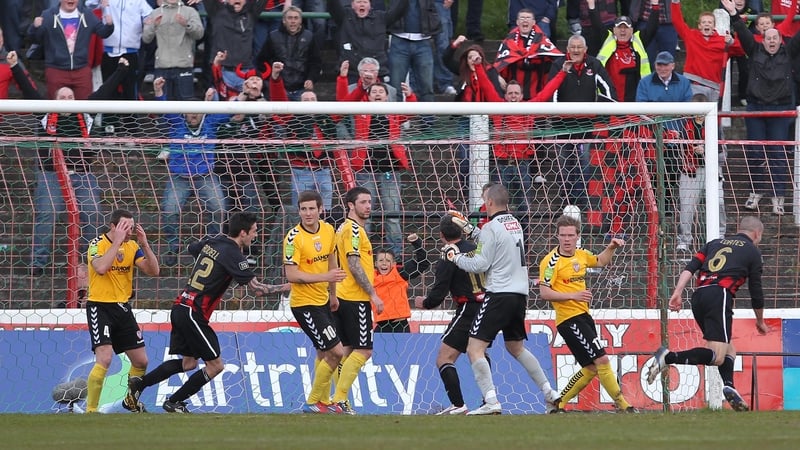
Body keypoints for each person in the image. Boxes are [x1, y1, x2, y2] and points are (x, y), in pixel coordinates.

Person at [126, 212, 288, 413]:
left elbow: (192, 249)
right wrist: (289, 287)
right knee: (216, 365)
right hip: (194, 312)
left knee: (188, 363)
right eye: (254, 232)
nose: (255, 236)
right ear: (243, 232)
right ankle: (174, 401)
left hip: (180, 306)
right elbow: (257, 289)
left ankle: (138, 385)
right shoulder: (235, 255)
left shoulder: (215, 240)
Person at [7, 51, 128, 282]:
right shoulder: (46, 114)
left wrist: (121, 70)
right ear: (54, 100)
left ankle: (90, 258)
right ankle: (37, 262)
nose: (65, 100)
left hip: (82, 175)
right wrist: (14, 66)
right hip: (51, 174)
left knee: (92, 212)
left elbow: (105, 91)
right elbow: (29, 91)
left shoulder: (87, 113)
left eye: (70, 97)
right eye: (61, 97)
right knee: (48, 213)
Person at [442, 184, 558, 415]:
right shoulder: (514, 224)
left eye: (485, 200)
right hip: (519, 295)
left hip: (499, 294)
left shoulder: (490, 228)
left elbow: (480, 264)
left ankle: (492, 401)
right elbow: (496, 242)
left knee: (474, 348)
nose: (484, 204)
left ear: (491, 202)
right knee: (516, 347)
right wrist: (472, 230)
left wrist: (455, 256)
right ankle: (549, 393)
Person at [647, 216, 769, 412]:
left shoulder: (714, 243)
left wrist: (678, 293)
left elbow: (690, 268)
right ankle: (668, 357)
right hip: (719, 294)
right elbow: (756, 290)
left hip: (699, 297)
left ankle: (729, 386)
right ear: (757, 234)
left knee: (729, 349)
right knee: (717, 356)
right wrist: (760, 321)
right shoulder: (752, 251)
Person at [538, 214, 636, 413]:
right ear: (557, 236)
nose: (566, 239)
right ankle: (623, 405)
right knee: (602, 360)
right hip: (568, 319)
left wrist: (611, 247)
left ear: (577, 236)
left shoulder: (581, 254)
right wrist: (575, 294)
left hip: (584, 316)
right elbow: (544, 292)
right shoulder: (550, 262)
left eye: (570, 235)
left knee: (591, 367)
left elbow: (600, 262)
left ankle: (559, 403)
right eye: (563, 235)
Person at [724, 0, 800, 217]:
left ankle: (778, 197)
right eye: (769, 38)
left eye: (776, 38)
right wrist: (733, 13)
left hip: (780, 110)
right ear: (763, 39)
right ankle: (755, 192)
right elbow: (740, 29)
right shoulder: (754, 48)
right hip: (756, 109)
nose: (772, 41)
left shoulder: (789, 51)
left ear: (780, 40)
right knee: (755, 152)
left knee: (778, 154)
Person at [85, 209, 160, 413]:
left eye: (132, 227)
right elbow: (100, 268)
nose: (129, 232)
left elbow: (154, 271)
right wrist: (116, 242)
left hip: (123, 308)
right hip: (100, 307)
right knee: (106, 358)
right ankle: (91, 411)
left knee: (141, 361)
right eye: (125, 227)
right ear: (113, 226)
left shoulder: (133, 246)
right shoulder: (96, 244)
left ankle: (130, 400)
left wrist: (144, 244)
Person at [154, 77, 231, 267]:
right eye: (190, 111)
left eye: (198, 110)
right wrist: (158, 91)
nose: (193, 114)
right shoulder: (176, 123)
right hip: (179, 177)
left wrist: (244, 95)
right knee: (170, 210)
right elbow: (163, 109)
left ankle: (211, 244)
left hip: (205, 176)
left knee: (219, 209)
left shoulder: (210, 123)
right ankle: (173, 246)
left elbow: (231, 111)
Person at [283, 190, 348, 413]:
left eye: (312, 208)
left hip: (323, 299)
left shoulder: (329, 230)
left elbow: (331, 260)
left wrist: (332, 294)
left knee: (323, 352)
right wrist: (325, 278)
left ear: (321, 209)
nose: (308, 213)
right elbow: (292, 276)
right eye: (303, 209)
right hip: (304, 304)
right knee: (337, 352)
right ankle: (313, 401)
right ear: (298, 210)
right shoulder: (293, 238)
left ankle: (324, 401)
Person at [414, 215, 486, 415]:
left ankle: (458, 404)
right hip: (486, 307)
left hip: (468, 308)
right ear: (462, 231)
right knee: (478, 354)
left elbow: (440, 289)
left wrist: (426, 303)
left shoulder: (449, 254)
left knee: (444, 358)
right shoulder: (474, 248)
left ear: (441, 235)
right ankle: (489, 401)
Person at [331, 186, 385, 414]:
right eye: (363, 202)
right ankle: (339, 399)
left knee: (346, 350)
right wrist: (372, 294)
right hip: (354, 297)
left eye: (370, 202)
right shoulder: (353, 231)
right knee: (364, 350)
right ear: (350, 205)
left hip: (342, 296)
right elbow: (353, 263)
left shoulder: (343, 228)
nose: (368, 206)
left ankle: (337, 401)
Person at [550, 34, 616, 209]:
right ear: (568, 49)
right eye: (573, 47)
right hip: (561, 127)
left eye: (579, 47)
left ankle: (582, 201)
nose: (576, 50)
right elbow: (551, 91)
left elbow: (608, 90)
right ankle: (566, 202)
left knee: (584, 163)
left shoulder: (594, 65)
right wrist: (556, 114)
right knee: (564, 166)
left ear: (585, 49)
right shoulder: (558, 65)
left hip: (587, 126)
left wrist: (604, 115)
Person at [635, 50, 693, 219]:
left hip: (676, 136)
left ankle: (666, 207)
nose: (662, 68)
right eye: (659, 64)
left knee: (672, 172)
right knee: (654, 172)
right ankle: (655, 208)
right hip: (653, 136)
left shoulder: (683, 82)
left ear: (673, 66)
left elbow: (688, 108)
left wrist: (675, 129)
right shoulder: (645, 83)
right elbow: (641, 108)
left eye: (665, 64)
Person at [28, 0, 115, 100]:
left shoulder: (87, 15)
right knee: (56, 111)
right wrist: (34, 27)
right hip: (56, 70)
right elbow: (35, 39)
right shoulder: (48, 15)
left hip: (81, 70)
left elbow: (103, 32)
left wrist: (109, 25)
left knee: (84, 110)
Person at [673, 93, 727, 252]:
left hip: (711, 168)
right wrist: (688, 149)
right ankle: (684, 239)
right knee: (687, 206)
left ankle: (720, 235)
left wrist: (707, 149)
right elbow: (678, 148)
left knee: (720, 202)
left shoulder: (715, 125)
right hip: (690, 170)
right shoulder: (683, 124)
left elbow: (722, 150)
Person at [586, 0, 660, 102]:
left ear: (632, 30)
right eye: (619, 27)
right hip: (610, 95)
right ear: (614, 30)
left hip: (634, 95)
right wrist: (591, 5)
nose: (623, 30)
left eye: (626, 27)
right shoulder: (607, 38)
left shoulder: (639, 40)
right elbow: (596, 25)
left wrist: (655, 5)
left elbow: (652, 27)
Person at [327, 0, 409, 85]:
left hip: (378, 73)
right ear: (352, 5)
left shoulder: (381, 17)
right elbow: (332, 4)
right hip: (352, 72)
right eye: (358, 2)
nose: (362, 4)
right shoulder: (344, 16)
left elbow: (399, 10)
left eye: (365, 2)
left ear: (370, 6)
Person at [85, 0, 152, 101]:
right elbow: (89, 5)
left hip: (130, 52)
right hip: (108, 52)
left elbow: (150, 16)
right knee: (108, 92)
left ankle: (130, 117)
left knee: (130, 93)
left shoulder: (139, 1)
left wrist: (148, 21)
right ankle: (110, 117)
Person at [671, 0, 734, 103]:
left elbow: (741, 49)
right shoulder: (691, 36)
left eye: (710, 22)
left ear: (714, 26)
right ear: (699, 26)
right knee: (693, 117)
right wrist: (675, 3)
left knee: (713, 118)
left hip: (714, 87)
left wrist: (731, 42)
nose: (707, 25)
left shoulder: (723, 41)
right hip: (694, 84)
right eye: (704, 22)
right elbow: (677, 21)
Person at [141, 0, 204, 101]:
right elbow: (146, 38)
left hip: (184, 66)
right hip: (162, 66)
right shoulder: (155, 13)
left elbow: (199, 34)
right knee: (163, 107)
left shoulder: (190, 11)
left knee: (186, 105)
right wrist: (153, 26)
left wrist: (186, 24)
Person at [494, 9, 562, 101]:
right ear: (517, 22)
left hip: (537, 95)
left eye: (528, 18)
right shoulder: (508, 42)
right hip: (513, 96)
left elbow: (555, 59)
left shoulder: (543, 41)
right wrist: (498, 76)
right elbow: (498, 64)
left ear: (534, 22)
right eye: (522, 18)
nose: (525, 20)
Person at [255, 6, 321, 101]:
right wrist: (273, 78)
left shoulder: (309, 36)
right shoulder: (273, 37)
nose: (293, 21)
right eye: (290, 18)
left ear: (300, 20)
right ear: (284, 20)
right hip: (279, 87)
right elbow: (261, 61)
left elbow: (316, 62)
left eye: (296, 18)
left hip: (302, 88)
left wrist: (311, 78)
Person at [203, 0, 268, 95]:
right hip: (221, 70)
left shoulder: (251, 12)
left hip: (245, 71)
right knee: (218, 106)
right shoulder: (217, 10)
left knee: (246, 107)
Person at [387, 0, 442, 102]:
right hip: (399, 40)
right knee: (395, 88)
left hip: (423, 41)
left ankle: (428, 118)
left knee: (427, 88)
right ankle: (394, 117)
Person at [373, 233, 429, 332]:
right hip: (381, 325)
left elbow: (423, 263)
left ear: (394, 264)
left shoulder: (399, 273)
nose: (384, 263)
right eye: (381, 260)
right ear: (376, 263)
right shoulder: (369, 278)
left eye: (388, 261)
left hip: (399, 325)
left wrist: (416, 243)